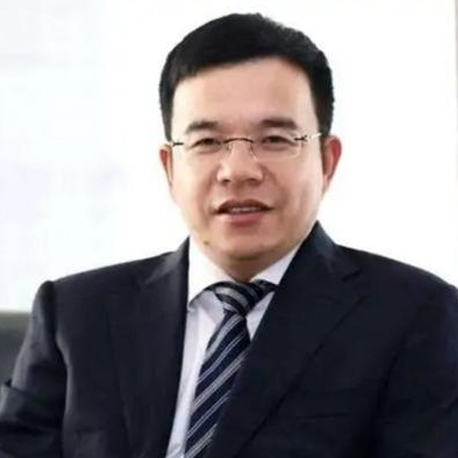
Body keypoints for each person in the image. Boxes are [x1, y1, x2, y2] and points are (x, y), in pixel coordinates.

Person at [0, 12, 457, 458]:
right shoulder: (75, 315)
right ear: (170, 168)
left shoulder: (418, 317)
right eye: (206, 142)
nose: (238, 171)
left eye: (275, 139)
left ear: (326, 161)